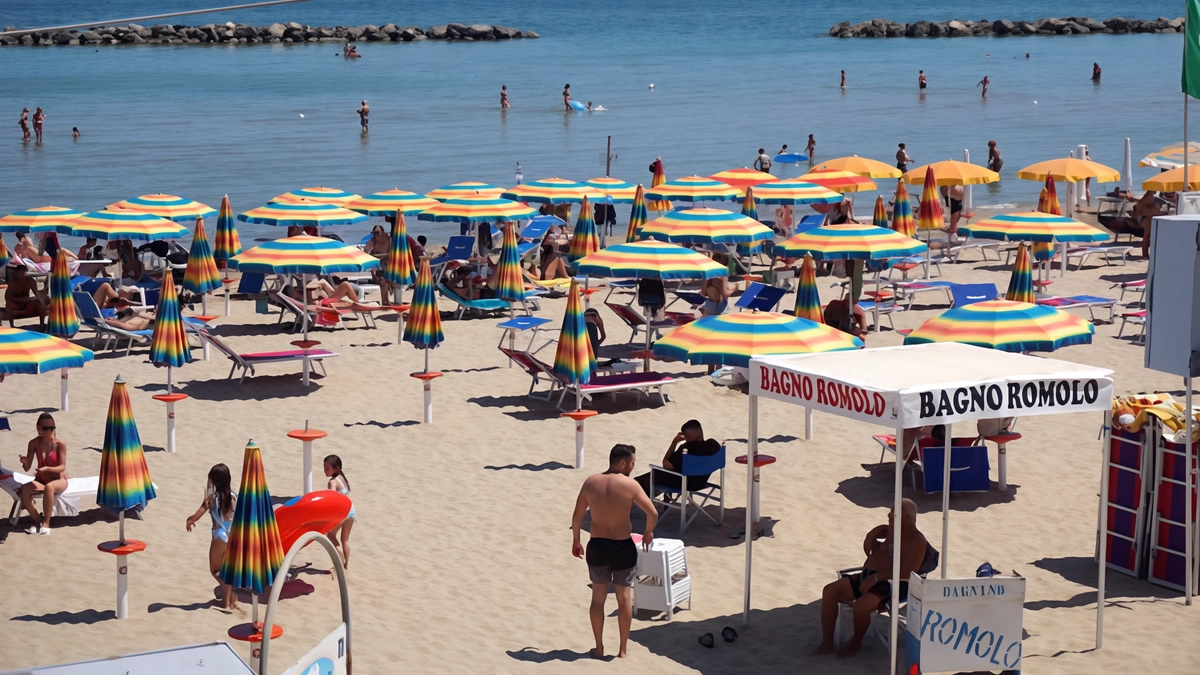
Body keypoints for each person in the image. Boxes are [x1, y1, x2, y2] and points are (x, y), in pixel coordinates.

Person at [808, 498, 930, 659]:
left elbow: (907, 571)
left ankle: (856, 642)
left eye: (893, 512)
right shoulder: (891, 532)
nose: (889, 514)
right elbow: (870, 553)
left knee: (861, 606)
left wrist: (875, 578)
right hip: (869, 576)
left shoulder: (916, 539)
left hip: (892, 583)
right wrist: (872, 535)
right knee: (829, 591)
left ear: (906, 517)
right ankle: (827, 643)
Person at [571, 444, 658, 659]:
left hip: (598, 546)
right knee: (624, 599)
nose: (632, 467)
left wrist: (576, 540)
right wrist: (648, 533)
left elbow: (577, 515)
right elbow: (653, 512)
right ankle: (622, 650)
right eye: (631, 463)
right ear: (622, 463)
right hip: (623, 547)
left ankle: (599, 648)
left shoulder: (591, 482)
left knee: (598, 599)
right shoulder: (630, 484)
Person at [185, 464, 238, 609]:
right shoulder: (234, 496)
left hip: (219, 537)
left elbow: (200, 512)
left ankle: (228, 593)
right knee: (225, 569)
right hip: (233, 537)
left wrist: (190, 520)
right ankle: (226, 602)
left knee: (215, 570)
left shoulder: (212, 498)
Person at [634, 420, 721, 497]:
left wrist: (674, 442)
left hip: (685, 484)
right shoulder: (714, 445)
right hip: (701, 482)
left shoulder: (686, 449)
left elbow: (666, 465)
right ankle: (665, 496)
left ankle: (630, 496)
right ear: (700, 430)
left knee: (653, 474)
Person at [16, 413, 67, 535]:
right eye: (46, 428)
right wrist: (24, 461)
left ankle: (46, 523)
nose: (50, 431)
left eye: (52, 428)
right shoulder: (33, 443)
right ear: (38, 428)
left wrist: (47, 468)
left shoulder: (60, 444)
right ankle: (38, 521)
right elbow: (27, 468)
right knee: (24, 490)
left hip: (59, 479)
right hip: (41, 479)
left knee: (50, 487)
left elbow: (62, 467)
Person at [324, 455, 355, 569]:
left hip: (342, 512)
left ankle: (340, 564)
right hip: (351, 510)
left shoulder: (332, 482)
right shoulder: (343, 478)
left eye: (327, 468)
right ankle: (346, 566)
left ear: (336, 468)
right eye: (324, 467)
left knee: (330, 535)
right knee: (345, 540)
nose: (325, 470)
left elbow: (332, 500)